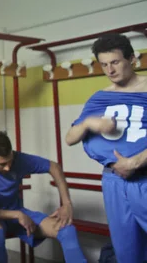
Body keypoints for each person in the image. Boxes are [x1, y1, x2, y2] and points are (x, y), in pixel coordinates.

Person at [65, 33, 147, 263]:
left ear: (132, 59)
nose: (109, 70)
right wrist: (90, 123)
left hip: (143, 176)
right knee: (127, 251)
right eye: (103, 64)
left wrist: (133, 162)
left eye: (115, 62)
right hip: (114, 181)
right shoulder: (100, 97)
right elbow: (70, 138)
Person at [0, 130, 86, 263]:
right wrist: (16, 214)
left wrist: (66, 204)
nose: (8, 167)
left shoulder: (19, 159)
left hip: (18, 215)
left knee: (67, 230)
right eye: (2, 164)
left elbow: (54, 167)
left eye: (10, 161)